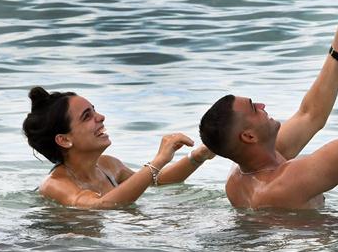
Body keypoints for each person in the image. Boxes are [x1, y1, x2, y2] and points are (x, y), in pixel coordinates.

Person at [199, 14, 338, 210]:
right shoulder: (284, 184)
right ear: (249, 136)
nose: (262, 106)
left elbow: (310, 114)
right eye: (254, 108)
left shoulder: (238, 177)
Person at [22, 87, 213, 209]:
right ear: (64, 140)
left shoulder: (108, 165)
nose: (101, 117)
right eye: (87, 116)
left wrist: (198, 156)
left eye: (94, 110)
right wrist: (159, 159)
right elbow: (100, 206)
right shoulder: (55, 184)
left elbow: (156, 180)